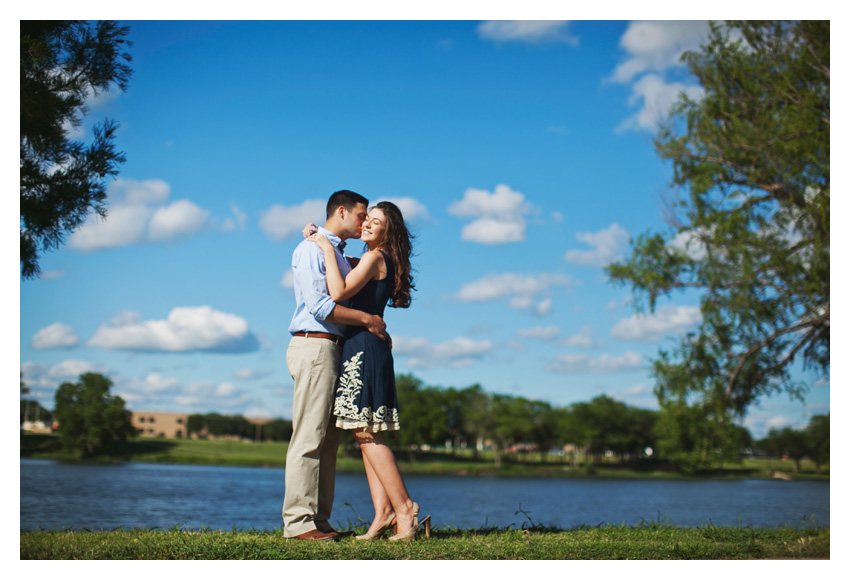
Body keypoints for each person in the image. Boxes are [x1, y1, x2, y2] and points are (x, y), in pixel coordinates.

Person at [306, 201, 430, 541]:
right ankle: (383, 514)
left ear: (387, 230)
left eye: (375, 222)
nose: (367, 225)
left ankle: (405, 508)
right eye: (367, 219)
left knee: (366, 433)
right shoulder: (373, 259)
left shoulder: (375, 258)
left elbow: (339, 291)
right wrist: (322, 237)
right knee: (364, 435)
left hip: (363, 348)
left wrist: (324, 247)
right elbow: (349, 272)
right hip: (363, 346)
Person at [283, 190, 388, 542]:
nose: (364, 223)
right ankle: (298, 523)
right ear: (341, 211)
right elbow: (320, 306)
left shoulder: (339, 253)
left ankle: (318, 521)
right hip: (314, 344)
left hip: (333, 350)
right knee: (309, 436)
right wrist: (368, 320)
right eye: (361, 216)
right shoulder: (311, 249)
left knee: (327, 441)